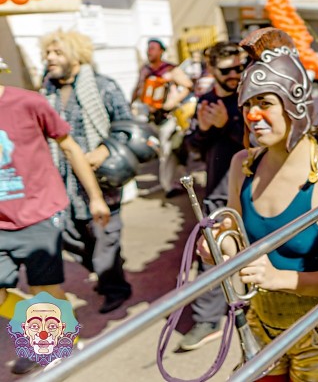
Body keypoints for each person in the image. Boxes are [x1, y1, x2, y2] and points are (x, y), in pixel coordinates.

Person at [202, 28, 318, 381]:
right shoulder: (242, 164)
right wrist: (219, 245)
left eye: (264, 103)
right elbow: (235, 233)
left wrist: (283, 279)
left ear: (294, 104)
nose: (252, 115)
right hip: (260, 326)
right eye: (247, 105)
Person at [0, 56, 109, 375]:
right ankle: (48, 333)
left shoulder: (29, 102)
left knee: (45, 291)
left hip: (39, 212)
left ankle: (55, 347)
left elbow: (70, 147)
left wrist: (96, 197)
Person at [40, 30, 133, 314]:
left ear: (76, 55)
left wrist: (104, 150)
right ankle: (109, 268)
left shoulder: (104, 86)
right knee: (72, 239)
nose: (50, 58)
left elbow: (127, 125)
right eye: (48, 53)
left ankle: (115, 288)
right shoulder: (47, 91)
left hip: (101, 182)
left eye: (57, 53)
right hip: (63, 182)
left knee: (105, 240)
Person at [179, 42, 248, 351]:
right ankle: (207, 320)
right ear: (212, 70)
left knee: (259, 252)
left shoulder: (251, 96)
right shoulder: (206, 101)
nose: (235, 74)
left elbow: (258, 142)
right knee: (211, 255)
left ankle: (257, 305)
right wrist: (205, 130)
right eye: (227, 70)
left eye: (238, 67)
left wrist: (229, 124)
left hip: (253, 189)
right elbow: (194, 147)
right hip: (218, 191)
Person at [131, 38, 193, 197]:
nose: (149, 51)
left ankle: (168, 186)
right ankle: (180, 179)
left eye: (153, 48)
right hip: (152, 118)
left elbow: (188, 85)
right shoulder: (145, 70)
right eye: (148, 48)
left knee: (167, 151)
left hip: (168, 117)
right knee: (164, 151)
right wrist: (132, 104)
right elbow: (138, 88)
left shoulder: (170, 70)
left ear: (161, 51)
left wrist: (173, 101)